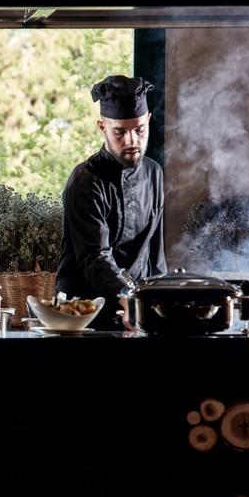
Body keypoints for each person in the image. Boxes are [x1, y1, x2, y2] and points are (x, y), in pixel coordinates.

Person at [55, 75, 167, 330]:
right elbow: (94, 256)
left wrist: (160, 299)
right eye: (120, 132)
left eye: (139, 130)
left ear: (148, 120)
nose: (131, 141)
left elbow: (155, 252)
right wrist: (128, 296)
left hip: (135, 311)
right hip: (84, 317)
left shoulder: (154, 173)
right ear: (102, 126)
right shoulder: (85, 180)